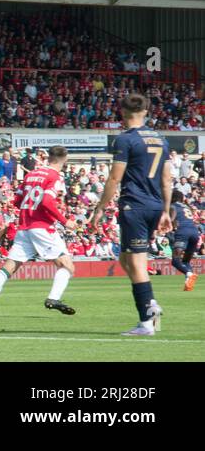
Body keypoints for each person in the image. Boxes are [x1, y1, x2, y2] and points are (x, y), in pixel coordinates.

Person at [85, 94, 172, 337]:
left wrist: (100, 208)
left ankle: (147, 318)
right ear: (146, 110)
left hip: (134, 205)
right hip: (155, 205)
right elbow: (167, 179)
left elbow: (115, 178)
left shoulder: (125, 140)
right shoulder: (161, 139)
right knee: (126, 259)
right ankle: (149, 305)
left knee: (135, 263)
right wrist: (166, 211)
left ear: (122, 112)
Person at [0, 146, 77, 317]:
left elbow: (17, 201)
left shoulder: (31, 174)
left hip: (24, 227)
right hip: (42, 227)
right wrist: (65, 220)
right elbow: (46, 201)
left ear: (48, 157)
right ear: (65, 158)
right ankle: (53, 298)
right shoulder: (55, 177)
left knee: (8, 268)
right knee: (67, 266)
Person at [168, 190, 199, 291]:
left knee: (175, 260)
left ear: (172, 198)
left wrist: (171, 226)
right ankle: (188, 283)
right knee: (186, 260)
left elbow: (172, 219)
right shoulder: (186, 206)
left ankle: (189, 274)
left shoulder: (172, 206)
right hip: (195, 233)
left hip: (183, 232)